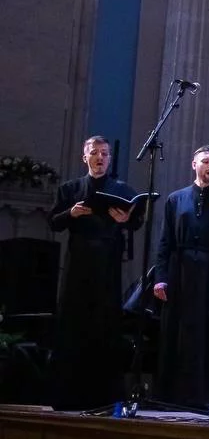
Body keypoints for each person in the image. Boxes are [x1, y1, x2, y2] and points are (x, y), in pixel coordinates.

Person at [46, 136, 143, 409]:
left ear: (110, 159)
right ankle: (68, 395)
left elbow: (136, 221)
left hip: (108, 264)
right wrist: (71, 214)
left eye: (104, 153)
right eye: (94, 153)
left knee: (105, 326)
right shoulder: (70, 189)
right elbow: (53, 222)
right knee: (74, 324)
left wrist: (127, 220)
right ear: (84, 157)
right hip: (78, 263)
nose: (100, 158)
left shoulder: (121, 189)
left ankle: (105, 397)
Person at [153, 145, 209, 410]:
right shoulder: (175, 199)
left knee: (208, 334)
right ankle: (171, 397)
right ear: (194, 164)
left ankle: (205, 398)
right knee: (177, 332)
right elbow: (165, 241)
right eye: (206, 161)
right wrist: (161, 277)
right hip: (180, 273)